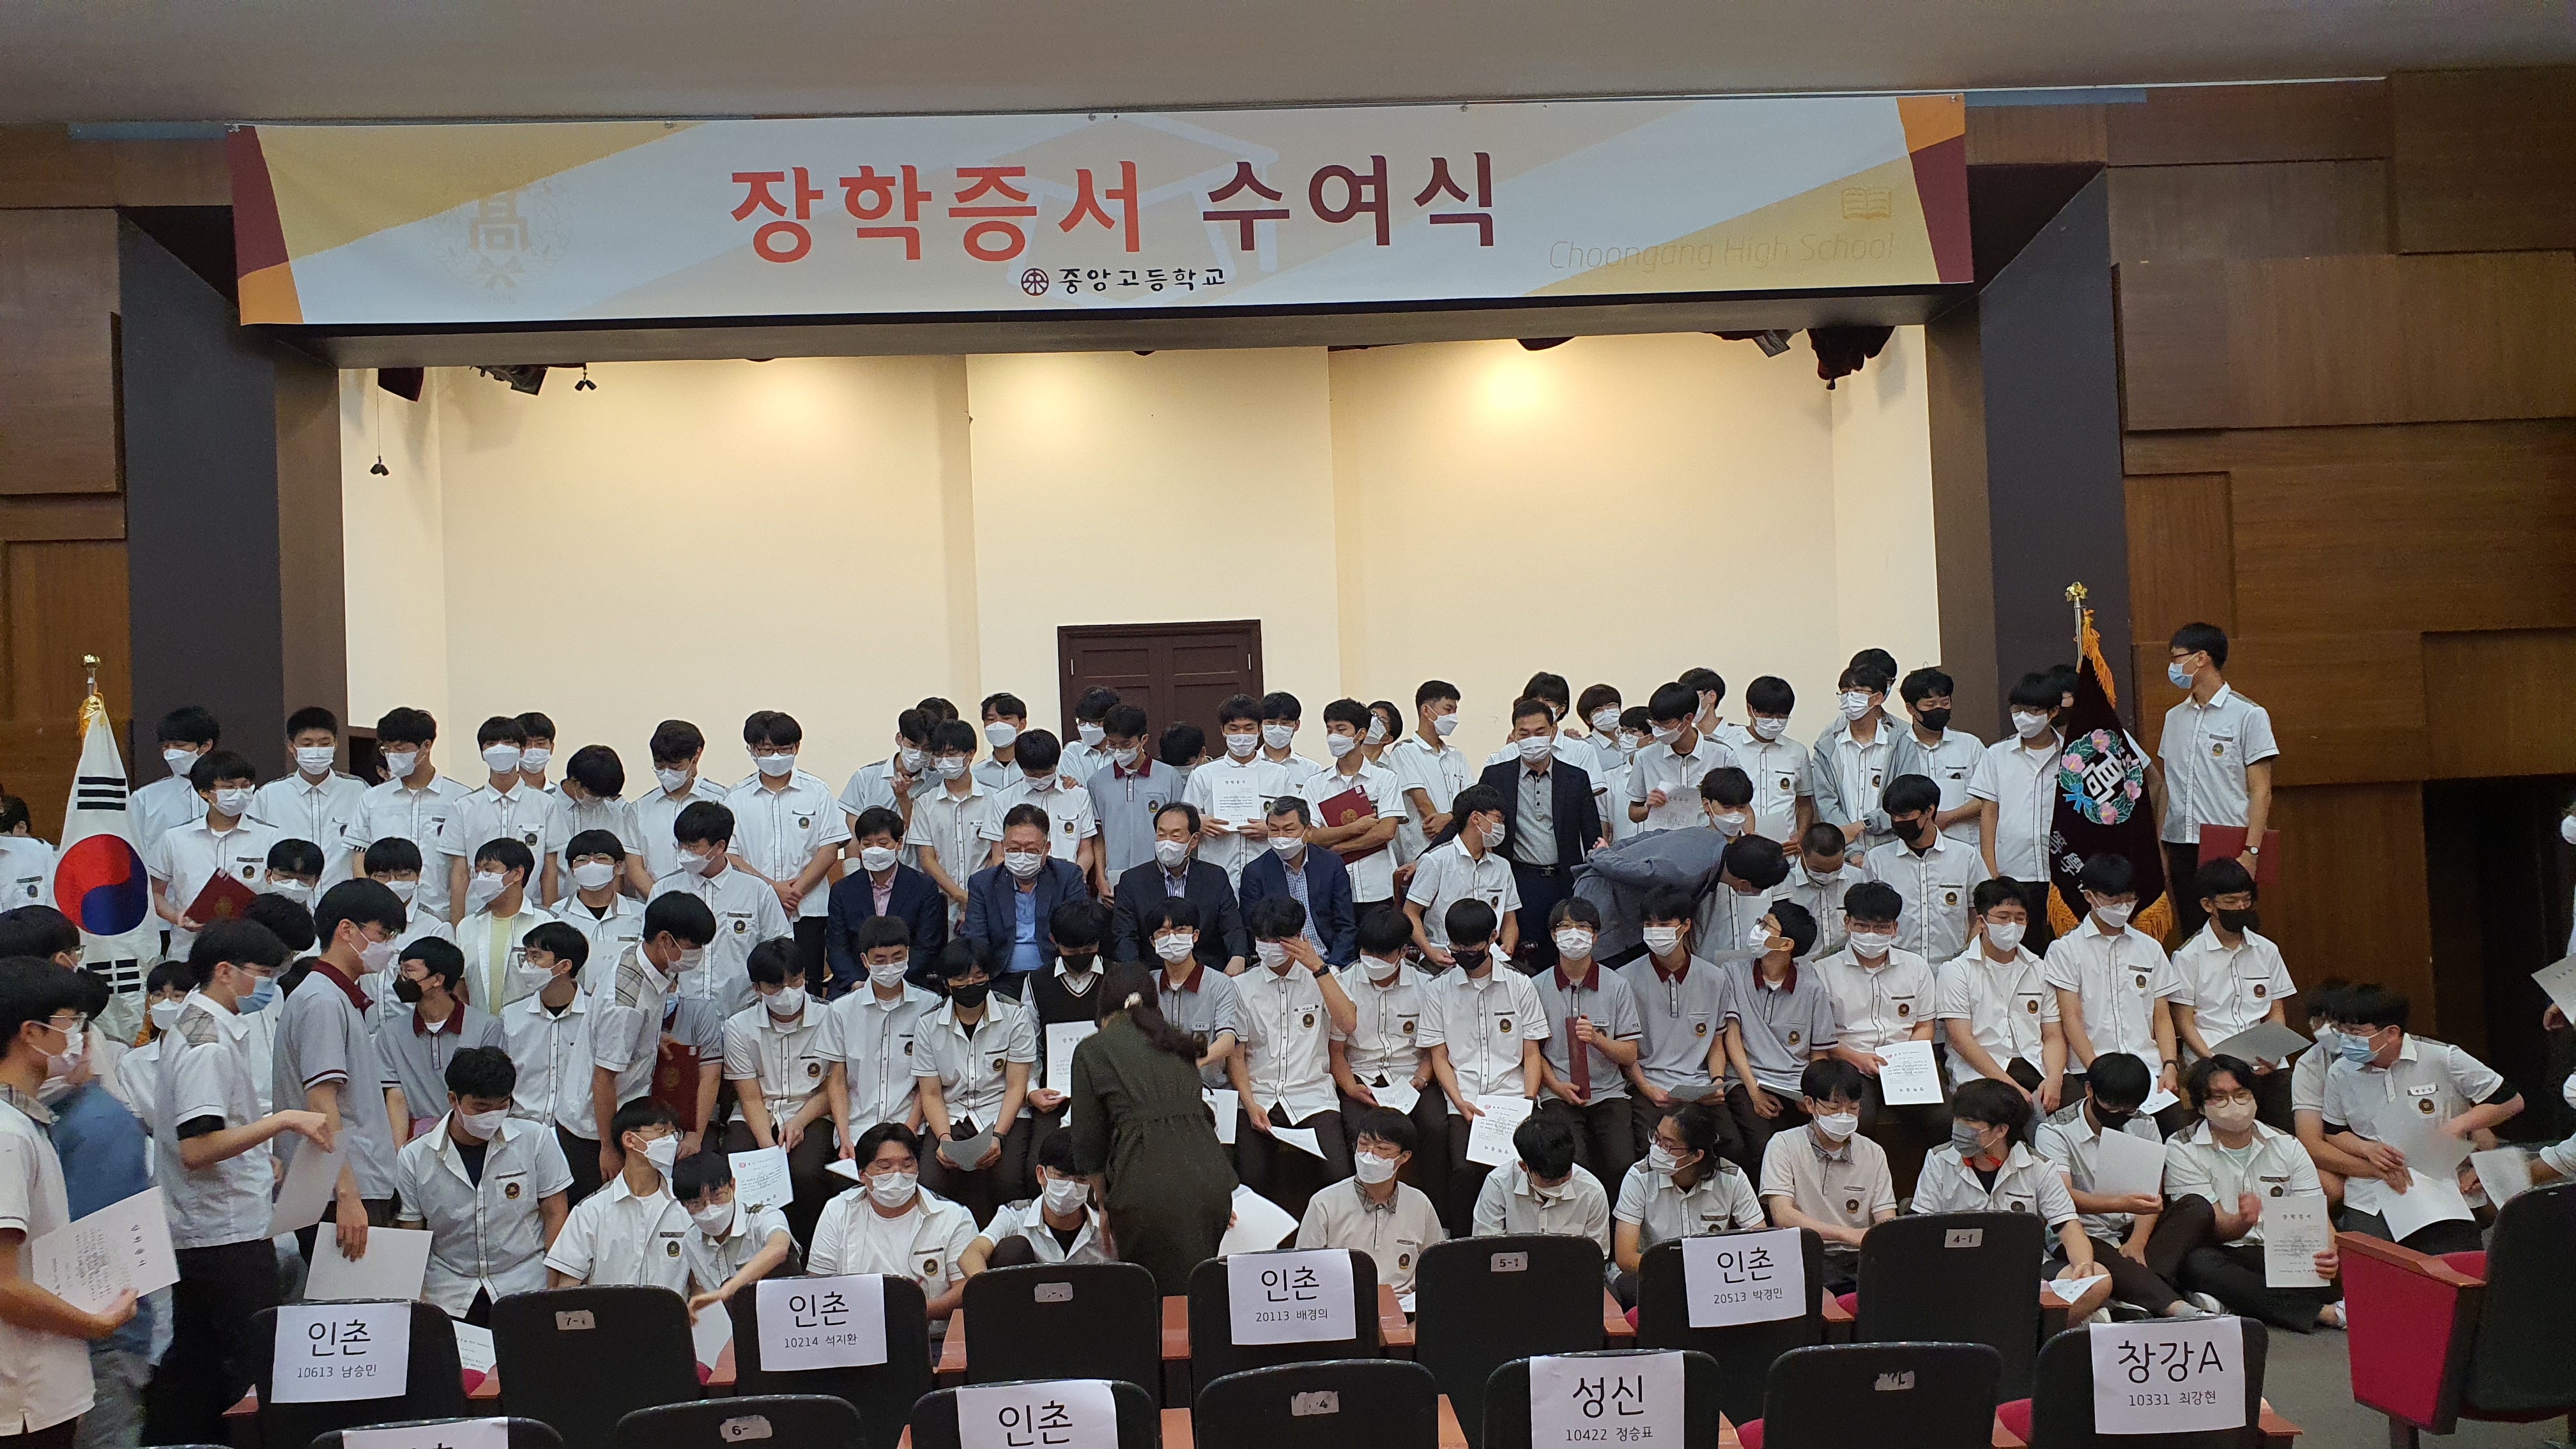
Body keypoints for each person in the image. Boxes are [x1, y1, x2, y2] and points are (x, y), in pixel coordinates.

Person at [143, 922, 324, 1444]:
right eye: (263, 974)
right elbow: (198, 1148)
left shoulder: (200, 1025)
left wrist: (256, 1154)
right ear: (225, 971)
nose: (268, 986)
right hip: (224, 1233)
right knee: (251, 1364)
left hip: (209, 1226)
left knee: (195, 1364)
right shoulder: (207, 1044)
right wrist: (282, 1122)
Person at [0, 960, 137, 1449]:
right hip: (23, 1394)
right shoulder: (7, 1134)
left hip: (44, 1388)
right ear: (31, 1033)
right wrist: (97, 1324)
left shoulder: (26, 1121)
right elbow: (4, 1284)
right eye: (69, 1022)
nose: (79, 1036)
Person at [1066, 965, 1237, 1295]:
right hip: (1211, 1181)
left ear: (1103, 1007)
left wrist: (1103, 1203)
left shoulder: (1092, 1050)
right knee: (1202, 1296)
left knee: (1154, 1299)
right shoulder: (1176, 1042)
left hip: (1142, 1187)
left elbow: (1088, 1142)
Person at [2320, 984, 2520, 1253]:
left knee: (2454, 1263)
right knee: (2372, 1262)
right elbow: (2334, 1131)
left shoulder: (2442, 1058)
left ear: (2391, 1032)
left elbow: (2510, 1101)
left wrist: (2457, 1126)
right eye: (2341, 1031)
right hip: (2373, 1189)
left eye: (2355, 1033)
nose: (2346, 1040)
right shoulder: (2340, 1072)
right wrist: (2367, 1149)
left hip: (2442, 1183)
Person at [275, 880, 410, 1259]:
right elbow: (321, 1102)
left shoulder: (335, 997)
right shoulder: (322, 1001)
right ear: (346, 930)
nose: (389, 947)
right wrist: (347, 1194)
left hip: (350, 1183)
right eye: (383, 935)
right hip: (339, 1191)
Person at [2159, 1055, 2344, 1330]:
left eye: (2241, 1094)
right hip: (2225, 1249)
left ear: (2254, 1098)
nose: (2233, 1104)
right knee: (2197, 1265)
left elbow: (2316, 1214)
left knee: (2337, 1273)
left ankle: (2233, 1301)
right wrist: (2243, 1220)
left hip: (2281, 1251)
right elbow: (2214, 1227)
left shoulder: (2286, 1145)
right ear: (2200, 1106)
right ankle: (2321, 1313)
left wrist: (2329, 1254)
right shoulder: (2182, 1148)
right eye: (2219, 1097)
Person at [392, 1046, 571, 1324]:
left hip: (524, 1281)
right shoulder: (414, 1157)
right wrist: (420, 1305)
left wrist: (552, 1290)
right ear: (453, 1099)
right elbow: (411, 1234)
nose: (493, 1116)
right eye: (481, 1108)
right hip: (449, 1289)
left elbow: (555, 1212)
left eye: (502, 1105)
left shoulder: (535, 1139)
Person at [1913, 1078, 2115, 1321]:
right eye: (1958, 1119)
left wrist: (2083, 1264)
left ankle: (2033, 1333)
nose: (1959, 1128)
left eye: (1970, 1122)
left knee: (2099, 1279)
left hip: (2024, 1267)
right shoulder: (1938, 1159)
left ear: (2001, 1130)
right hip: (1958, 1268)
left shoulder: (2038, 1166)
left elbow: (2068, 1225)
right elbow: (1921, 1228)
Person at [2032, 1054, 2202, 1319]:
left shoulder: (2143, 1123)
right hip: (2084, 1233)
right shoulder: (2055, 1131)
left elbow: (2152, 1192)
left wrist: (2137, 1242)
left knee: (2196, 1207)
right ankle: (2176, 1307)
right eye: (2112, 1107)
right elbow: (2063, 1199)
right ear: (2089, 1090)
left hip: (2134, 1229)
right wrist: (2122, 1204)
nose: (2120, 1115)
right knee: (2099, 1256)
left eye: (2129, 1109)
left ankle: (2131, 1294)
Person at [1814, 881, 1947, 1194]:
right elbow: (1823, 1036)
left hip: (1905, 1065)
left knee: (1944, 1119)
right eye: (1862, 926)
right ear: (1847, 923)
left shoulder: (1916, 967)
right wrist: (1858, 1059)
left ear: (1895, 929)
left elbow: (1924, 1025)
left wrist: (1908, 1058)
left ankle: (1927, 1196)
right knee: (1861, 1121)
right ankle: (1856, 1194)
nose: (1871, 935)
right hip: (1850, 1063)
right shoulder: (1823, 971)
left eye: (1881, 927)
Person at [1422, 901, 1547, 1228]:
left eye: (1472, 946)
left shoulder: (1520, 985)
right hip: (1464, 1098)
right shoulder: (1438, 990)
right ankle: (1463, 1242)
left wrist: (1527, 1102)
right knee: (1463, 1170)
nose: (1465, 953)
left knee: (1517, 1170)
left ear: (1493, 937)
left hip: (1513, 1097)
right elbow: (1439, 1057)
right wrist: (1459, 1102)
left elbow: (1531, 1052)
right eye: (1457, 947)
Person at [1229, 898, 1356, 1217]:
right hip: (1259, 1096)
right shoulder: (1241, 988)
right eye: (1263, 940)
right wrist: (1250, 1104)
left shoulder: (1324, 977)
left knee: (1338, 1174)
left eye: (1279, 940)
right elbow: (1237, 1057)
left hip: (1312, 1095)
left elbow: (1348, 1023)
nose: (1270, 947)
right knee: (1251, 1178)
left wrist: (1318, 968)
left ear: (1299, 936)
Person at [588, 893, 724, 1188]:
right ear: (665, 939)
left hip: (634, 1112)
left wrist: (650, 1038)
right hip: (599, 1129)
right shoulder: (626, 1003)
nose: (698, 954)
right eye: (693, 947)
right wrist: (609, 1147)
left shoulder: (645, 961)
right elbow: (603, 1077)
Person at [2159, 623, 2280, 940]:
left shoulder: (2248, 714)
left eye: (2177, 658)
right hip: (2181, 843)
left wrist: (2251, 851)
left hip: (2228, 844)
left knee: (2232, 934)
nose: (2173, 667)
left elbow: (2261, 790)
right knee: (2192, 935)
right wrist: (2162, 846)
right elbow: (2169, 786)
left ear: (2201, 658)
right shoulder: (2174, 718)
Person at [2044, 855, 2184, 1121]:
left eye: (2129, 899)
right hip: (2092, 1069)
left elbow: (2162, 1017)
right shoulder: (2065, 949)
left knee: (2174, 1127)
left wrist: (2169, 1066)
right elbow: (2071, 1018)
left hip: (2147, 1068)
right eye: (2114, 900)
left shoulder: (2150, 948)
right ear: (2089, 897)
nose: (2123, 907)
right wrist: (2098, 1072)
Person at [1330, 908, 1446, 1208]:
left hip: (1412, 1075)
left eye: (1383, 955)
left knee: (1436, 1126)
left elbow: (1434, 1049)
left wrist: (1420, 1080)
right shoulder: (1343, 984)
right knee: (1357, 1129)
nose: (1374, 961)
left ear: (1404, 952)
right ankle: (1361, 1207)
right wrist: (1350, 1087)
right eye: (1368, 952)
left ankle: (1435, 1210)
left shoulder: (1426, 986)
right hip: (1361, 1076)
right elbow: (1336, 1052)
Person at [2169, 859, 2298, 1128]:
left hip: (2265, 1062)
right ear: (2208, 905)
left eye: (2246, 900)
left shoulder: (2267, 950)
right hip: (2211, 1061)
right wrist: (2213, 1062)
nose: (2241, 908)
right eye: (2231, 902)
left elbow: (2276, 1011)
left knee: (2287, 1126)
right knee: (2227, 1127)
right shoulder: (2188, 956)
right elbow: (2184, 1022)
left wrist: (2273, 1054)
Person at [913, 944, 1037, 1223]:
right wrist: (944, 1139)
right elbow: (931, 1093)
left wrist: (998, 1137)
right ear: (947, 983)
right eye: (961, 979)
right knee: (931, 1183)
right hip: (952, 1113)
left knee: (1008, 1181)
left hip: (1002, 1112)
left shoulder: (1015, 1014)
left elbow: (1016, 1086)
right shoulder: (928, 1024)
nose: (971, 984)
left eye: (979, 976)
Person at [1480, 698, 1605, 973]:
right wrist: (1425, 857)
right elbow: (1469, 819)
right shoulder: (1496, 776)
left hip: (1564, 882)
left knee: (1562, 955)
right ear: (1514, 735)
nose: (1532, 740)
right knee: (1521, 957)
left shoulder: (1576, 778)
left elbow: (1594, 836)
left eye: (1539, 732)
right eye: (1524, 734)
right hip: (1517, 881)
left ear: (1553, 731)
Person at [809, 1122, 979, 1322]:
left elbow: (966, 1286)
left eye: (907, 1165)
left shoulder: (953, 1216)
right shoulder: (838, 1210)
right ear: (862, 1175)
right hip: (856, 1329)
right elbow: (817, 1284)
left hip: (929, 1331)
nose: (898, 1174)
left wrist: (915, 1313)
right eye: (885, 1166)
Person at [722, 937, 832, 1241]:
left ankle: (808, 1248)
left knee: (805, 1173)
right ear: (757, 988)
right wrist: (769, 1150)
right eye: (775, 987)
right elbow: (749, 1097)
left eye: (795, 982)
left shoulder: (830, 1017)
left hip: (811, 1110)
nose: (787, 992)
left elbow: (831, 1089)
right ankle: (749, 1248)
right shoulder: (739, 1026)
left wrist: (799, 1122)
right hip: (757, 1112)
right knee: (739, 1169)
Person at [726, 710, 847, 987]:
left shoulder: (817, 791)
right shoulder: (736, 797)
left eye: (783, 749)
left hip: (808, 909)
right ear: (752, 750)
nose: (776, 757)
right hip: (754, 909)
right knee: (758, 985)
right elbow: (731, 855)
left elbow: (830, 849)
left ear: (797, 747)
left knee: (806, 984)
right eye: (767, 750)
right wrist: (771, 890)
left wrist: (795, 891)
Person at [1616, 888, 1735, 1169]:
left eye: (1664, 924)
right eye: (1649, 924)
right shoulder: (1625, 978)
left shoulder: (1714, 978)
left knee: (1732, 1147)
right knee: (1648, 1150)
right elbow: (1626, 1050)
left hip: (1697, 1086)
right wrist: (1646, 1088)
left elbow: (1716, 1043)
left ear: (1686, 925)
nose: (1655, 931)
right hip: (1648, 1085)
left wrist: (1717, 1081)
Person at [1718, 901, 1837, 1174]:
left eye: (1766, 926)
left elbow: (1819, 1053)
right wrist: (1754, 1092)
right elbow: (1732, 1037)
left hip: (1794, 1086)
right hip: (1745, 1079)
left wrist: (1810, 1093)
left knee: (1810, 1147)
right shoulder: (1732, 973)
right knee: (1763, 1145)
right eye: (1760, 922)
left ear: (1786, 945)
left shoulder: (1812, 988)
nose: (1757, 929)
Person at [1759, 1059, 1896, 1292]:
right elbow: (1783, 1216)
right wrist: (1847, 1235)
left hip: (1860, 1257)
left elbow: (1886, 1221)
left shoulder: (1873, 1152)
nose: (1844, 1116)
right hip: (1806, 1256)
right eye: (1834, 1108)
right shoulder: (1783, 1145)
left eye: (1853, 1108)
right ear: (1810, 1104)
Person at [1609, 1100, 1764, 1305]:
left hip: (1715, 1278)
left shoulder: (1731, 1179)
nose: (1657, 1148)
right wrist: (1687, 1270)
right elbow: (1626, 1258)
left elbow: (1761, 1241)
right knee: (1631, 1288)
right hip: (1658, 1274)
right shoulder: (1639, 1176)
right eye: (1656, 1138)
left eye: (1668, 1144)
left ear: (1696, 1155)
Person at [1531, 898, 1641, 1188]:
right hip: (1558, 1093)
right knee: (1574, 1164)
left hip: (1608, 1093)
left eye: (1582, 927)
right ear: (1553, 935)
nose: (1573, 933)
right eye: (1565, 926)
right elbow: (1531, 1053)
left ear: (1595, 937)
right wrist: (1557, 1087)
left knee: (1622, 1165)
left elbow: (1630, 1054)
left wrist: (1597, 1040)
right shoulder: (1536, 987)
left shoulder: (1617, 985)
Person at [1937, 880, 2066, 1107]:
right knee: (2008, 1108)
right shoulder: (1956, 971)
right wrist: (2012, 1086)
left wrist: (2055, 1079)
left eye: (2019, 918)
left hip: (2034, 1064)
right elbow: (1961, 1040)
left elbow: (2053, 1035)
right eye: (2003, 917)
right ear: (1982, 922)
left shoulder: (2039, 968)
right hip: (1982, 1073)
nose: (2012, 925)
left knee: (2075, 1104)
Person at [337, 709, 470, 924]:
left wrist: (457, 925)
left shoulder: (459, 799)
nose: (392, 756)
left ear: (426, 746)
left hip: (440, 914)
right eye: (387, 750)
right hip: (384, 917)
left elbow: (461, 869)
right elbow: (360, 858)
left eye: (400, 749)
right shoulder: (372, 799)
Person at [500, 922, 601, 1205]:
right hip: (522, 1134)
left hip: (580, 1137)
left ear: (564, 966)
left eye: (536, 957)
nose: (527, 964)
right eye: (526, 956)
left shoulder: (595, 1015)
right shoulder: (512, 1015)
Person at [142, 750, 276, 963]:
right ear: (204, 792)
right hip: (188, 952)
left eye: (245, 786)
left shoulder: (270, 837)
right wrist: (176, 917)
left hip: (250, 954)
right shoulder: (175, 838)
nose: (239, 793)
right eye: (229, 787)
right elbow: (154, 892)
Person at [1296, 1106, 1445, 1298]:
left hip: (1403, 1306)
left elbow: (1439, 1267)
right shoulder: (1323, 1203)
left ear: (1404, 1157)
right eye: (1364, 1144)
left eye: (1382, 1149)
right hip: (1344, 1303)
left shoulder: (1420, 1204)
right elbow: (1302, 1270)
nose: (1369, 1154)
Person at [544, 1098, 690, 1291]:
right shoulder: (591, 1210)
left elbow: (700, 1285)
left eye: (674, 1133)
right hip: (607, 1310)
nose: (671, 1140)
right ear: (630, 1140)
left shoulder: (686, 1206)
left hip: (670, 1311)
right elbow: (567, 1285)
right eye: (662, 1131)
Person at [820, 915, 939, 1145]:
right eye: (880, 960)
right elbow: (836, 1081)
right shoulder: (841, 1010)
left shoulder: (930, 1006)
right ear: (865, 961)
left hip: (912, 1127)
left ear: (908, 954)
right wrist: (844, 1138)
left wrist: (910, 1130)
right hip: (857, 1129)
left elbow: (929, 1080)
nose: (890, 966)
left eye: (897, 957)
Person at [380, 937, 508, 1143]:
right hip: (415, 1141)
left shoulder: (487, 1028)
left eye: (409, 971)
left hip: (472, 1137)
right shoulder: (390, 1034)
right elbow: (396, 1097)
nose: (402, 978)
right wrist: (402, 1152)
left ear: (438, 979)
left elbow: (486, 1095)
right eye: (400, 970)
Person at [438, 716, 562, 924]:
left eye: (508, 742)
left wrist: (550, 921)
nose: (500, 749)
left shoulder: (546, 805)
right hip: (477, 916)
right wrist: (457, 927)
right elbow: (459, 875)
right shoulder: (463, 807)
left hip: (531, 915)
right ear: (483, 753)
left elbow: (550, 871)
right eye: (491, 743)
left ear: (522, 751)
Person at [1864, 773, 1987, 966]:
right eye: (1893, 816)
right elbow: (1867, 919)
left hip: (1952, 967)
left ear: (1929, 811)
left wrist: (1967, 958)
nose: (1897, 822)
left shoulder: (1966, 856)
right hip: (1895, 968)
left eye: (1905, 816)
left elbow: (1982, 913)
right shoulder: (1876, 859)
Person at [1108, 804, 1247, 974]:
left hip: (1206, 971)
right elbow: (1124, 936)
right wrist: (1136, 975)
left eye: (1175, 836)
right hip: (1153, 973)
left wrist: (1238, 956)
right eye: (1161, 835)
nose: (1167, 842)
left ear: (1194, 840)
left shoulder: (1215, 877)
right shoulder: (1132, 881)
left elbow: (1232, 926)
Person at [824, 807, 947, 998]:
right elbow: (837, 948)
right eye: (867, 844)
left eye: (882, 843)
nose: (875, 850)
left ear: (899, 844)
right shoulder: (843, 890)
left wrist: (894, 982)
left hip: (909, 980)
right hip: (857, 982)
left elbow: (927, 946)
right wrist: (856, 982)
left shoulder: (923, 886)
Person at [964, 806, 1087, 995]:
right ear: (1003, 846)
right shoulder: (983, 883)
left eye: (1031, 850)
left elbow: (1078, 930)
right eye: (1014, 849)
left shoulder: (1067, 876)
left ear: (1046, 849)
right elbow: (975, 938)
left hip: (1056, 975)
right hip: (1001, 977)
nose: (1022, 855)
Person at [1298, 699, 1403, 920]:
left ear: (1361, 734)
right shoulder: (1315, 784)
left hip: (1376, 886)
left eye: (1341, 729)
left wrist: (1339, 847)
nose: (1333, 736)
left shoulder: (1385, 779)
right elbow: (1311, 835)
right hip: (1331, 887)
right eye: (1329, 730)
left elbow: (1386, 831)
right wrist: (1357, 827)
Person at [1020, 903, 1108, 1153]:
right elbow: (1028, 1045)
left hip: (1106, 1094)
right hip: (1053, 1097)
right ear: (1053, 941)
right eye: (1071, 949)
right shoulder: (1036, 982)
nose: (1080, 955)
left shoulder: (1115, 978)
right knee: (1042, 1159)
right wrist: (1032, 1092)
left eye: (1088, 949)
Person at [1182, 694, 1290, 888]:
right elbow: (1184, 821)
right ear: (1223, 731)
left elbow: (1296, 823)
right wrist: (1197, 823)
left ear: (1259, 730)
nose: (1241, 735)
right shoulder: (1203, 774)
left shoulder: (1279, 775)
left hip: (1267, 874)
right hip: (1216, 873)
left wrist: (1272, 829)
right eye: (1234, 728)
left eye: (1248, 728)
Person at [674, 1151, 795, 1322]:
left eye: (717, 1197)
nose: (709, 1209)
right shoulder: (691, 1241)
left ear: (733, 1185)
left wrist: (726, 1292)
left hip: (782, 1317)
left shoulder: (762, 1217)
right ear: (683, 1205)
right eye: (696, 1203)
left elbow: (779, 1248)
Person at [1405, 785, 1519, 964]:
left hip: (1489, 955)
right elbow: (1410, 912)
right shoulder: (1436, 860)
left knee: (1522, 978)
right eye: (1498, 819)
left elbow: (1509, 917)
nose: (1501, 826)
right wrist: (1429, 951)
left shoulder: (1502, 866)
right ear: (1476, 818)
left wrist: (1508, 945)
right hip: (1445, 953)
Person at [962, 1131, 1107, 1270]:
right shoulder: (1016, 1217)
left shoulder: (1104, 1227)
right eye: (1061, 1176)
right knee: (1013, 1249)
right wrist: (989, 1285)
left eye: (1081, 1179)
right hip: (1022, 1287)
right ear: (1041, 1175)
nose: (1071, 1187)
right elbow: (971, 1255)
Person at [1238, 797, 1356, 967]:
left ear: (1308, 830)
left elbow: (1345, 925)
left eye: (1289, 830)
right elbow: (1254, 931)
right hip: (1283, 964)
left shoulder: (1331, 864)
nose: (1281, 837)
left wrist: (1334, 967)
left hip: (1329, 959)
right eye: (1274, 830)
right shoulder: (1255, 873)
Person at [250, 707, 367, 878]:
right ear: (291, 746)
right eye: (307, 744)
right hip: (289, 892)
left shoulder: (358, 790)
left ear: (336, 744)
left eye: (325, 743)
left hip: (344, 892)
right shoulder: (268, 795)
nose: (316, 750)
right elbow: (254, 848)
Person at [1472, 1112, 1610, 1255]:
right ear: (1524, 1167)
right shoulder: (1499, 1184)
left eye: (1565, 1176)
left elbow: (1596, 1254)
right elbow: (1487, 1248)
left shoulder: (1592, 1192)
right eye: (1549, 1181)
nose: (1559, 1184)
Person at [981, 729, 1100, 891]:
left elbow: (1086, 849)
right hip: (1020, 887)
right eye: (1032, 774)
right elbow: (999, 855)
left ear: (1056, 765)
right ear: (1021, 768)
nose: (1040, 779)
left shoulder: (1078, 795)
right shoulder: (1003, 800)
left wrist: (1075, 878)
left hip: (1068, 885)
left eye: (1046, 773)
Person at [908, 718, 1002, 921]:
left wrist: (975, 897)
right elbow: (927, 859)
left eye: (951, 754)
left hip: (986, 900)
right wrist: (959, 895)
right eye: (939, 755)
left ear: (970, 754)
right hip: (938, 902)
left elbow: (997, 856)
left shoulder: (994, 799)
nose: (944, 760)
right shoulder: (924, 803)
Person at [1144, 899, 1242, 1090]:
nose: (1172, 938)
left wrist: (1193, 1064)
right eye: (1163, 933)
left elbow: (1228, 1041)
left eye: (1180, 930)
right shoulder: (1148, 984)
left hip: (1211, 1090)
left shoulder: (1221, 984)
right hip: (1158, 1091)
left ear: (1195, 935)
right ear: (1153, 942)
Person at [1885, 669, 1983, 848]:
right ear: (1910, 708)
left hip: (1966, 845)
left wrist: (1950, 817)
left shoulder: (1970, 745)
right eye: (1930, 705)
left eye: (1945, 703)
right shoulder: (1896, 749)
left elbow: (1987, 797)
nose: (1939, 709)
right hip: (1911, 847)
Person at [1086, 703, 1183, 882]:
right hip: (1115, 875)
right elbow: (1098, 836)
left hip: (1160, 875)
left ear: (1143, 740)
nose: (1118, 750)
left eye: (1126, 744)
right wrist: (1100, 877)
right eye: (1112, 744)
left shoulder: (1169, 777)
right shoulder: (1097, 782)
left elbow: (1181, 830)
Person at [455, 838, 554, 1014]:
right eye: (477, 872)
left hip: (531, 1025)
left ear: (517, 873)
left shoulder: (545, 923)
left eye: (488, 870)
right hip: (481, 1026)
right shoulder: (467, 927)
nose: (480, 878)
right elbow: (460, 985)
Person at [1809, 664, 1896, 852]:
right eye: (1845, 692)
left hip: (1891, 849)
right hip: (1844, 852)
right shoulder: (1827, 748)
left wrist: (1865, 824)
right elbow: (1826, 803)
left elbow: (1904, 800)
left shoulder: (1900, 745)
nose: (1849, 698)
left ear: (1878, 698)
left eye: (1858, 692)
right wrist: (1851, 849)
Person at [1629, 683, 1735, 834]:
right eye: (1654, 724)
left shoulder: (1722, 755)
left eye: (1665, 725)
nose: (1658, 731)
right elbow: (1633, 812)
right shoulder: (1645, 757)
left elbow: (1741, 806)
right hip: (1661, 841)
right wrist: (1648, 807)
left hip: (1707, 839)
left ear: (1688, 719)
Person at [635, 720, 731, 885]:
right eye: (660, 766)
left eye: (675, 767)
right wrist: (658, 896)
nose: (667, 773)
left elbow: (729, 854)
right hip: (655, 897)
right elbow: (635, 866)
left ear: (695, 759)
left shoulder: (721, 800)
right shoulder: (639, 808)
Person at [839, 709, 937, 873]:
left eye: (926, 749)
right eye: (913, 746)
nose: (918, 754)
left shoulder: (936, 782)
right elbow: (853, 835)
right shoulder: (866, 777)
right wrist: (852, 875)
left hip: (917, 873)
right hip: (870, 873)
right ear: (899, 739)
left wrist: (903, 798)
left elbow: (923, 833)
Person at [1389, 680, 1470, 868]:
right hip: (1424, 853)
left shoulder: (1456, 755)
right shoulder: (1405, 751)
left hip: (1461, 849)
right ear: (1426, 711)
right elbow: (1423, 805)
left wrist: (1450, 818)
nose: (1453, 717)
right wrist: (1452, 823)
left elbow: (1471, 801)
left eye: (1455, 711)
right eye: (1448, 709)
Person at [553, 745, 650, 900]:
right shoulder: (546, 806)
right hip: (552, 901)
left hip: (600, 902)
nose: (600, 800)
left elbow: (618, 868)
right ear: (575, 783)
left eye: (604, 797)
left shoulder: (613, 813)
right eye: (595, 795)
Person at [555, 829, 644, 995]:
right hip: (574, 1006)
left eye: (601, 858)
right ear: (572, 869)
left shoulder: (641, 915)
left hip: (626, 1004)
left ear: (618, 867)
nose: (592, 865)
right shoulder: (555, 916)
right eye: (582, 860)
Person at [1731, 677, 1814, 844]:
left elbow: (1805, 804)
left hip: (1785, 847)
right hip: (1739, 845)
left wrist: (1800, 836)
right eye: (1768, 716)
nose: (1775, 722)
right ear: (1750, 710)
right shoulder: (1728, 748)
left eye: (1782, 717)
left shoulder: (1797, 752)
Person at [135, 707, 218, 852]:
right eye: (166, 746)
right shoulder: (145, 798)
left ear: (206, 746)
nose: (171, 752)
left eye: (180, 745)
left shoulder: (234, 794)